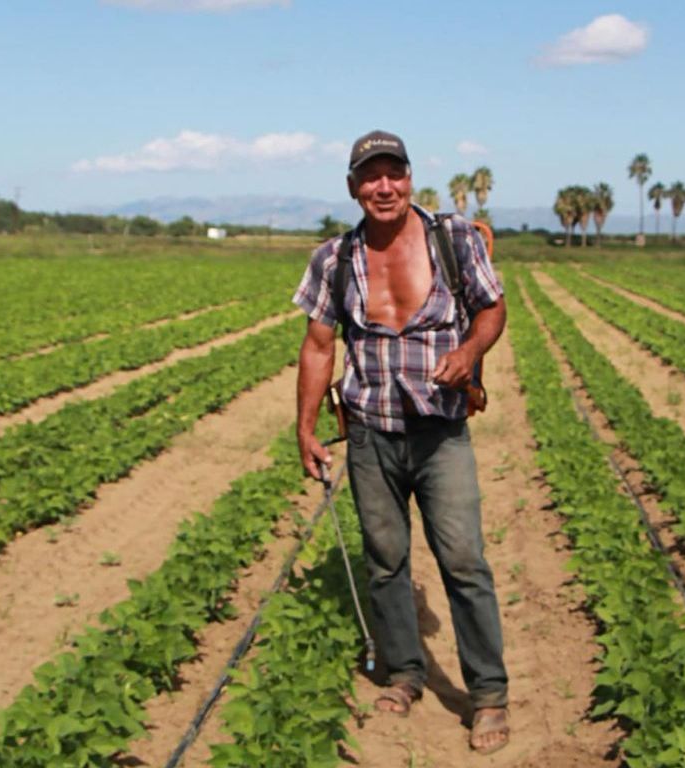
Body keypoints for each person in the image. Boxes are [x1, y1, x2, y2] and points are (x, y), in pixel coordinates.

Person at [293, 130, 510, 754]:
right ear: (353, 187)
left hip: (440, 432)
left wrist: (469, 351)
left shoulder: (454, 239)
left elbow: (492, 309)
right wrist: (305, 428)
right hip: (370, 432)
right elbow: (318, 346)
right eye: (370, 176)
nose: (383, 187)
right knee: (386, 561)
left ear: (410, 178)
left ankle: (488, 694)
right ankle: (405, 673)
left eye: (394, 173)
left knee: (463, 560)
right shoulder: (333, 258)